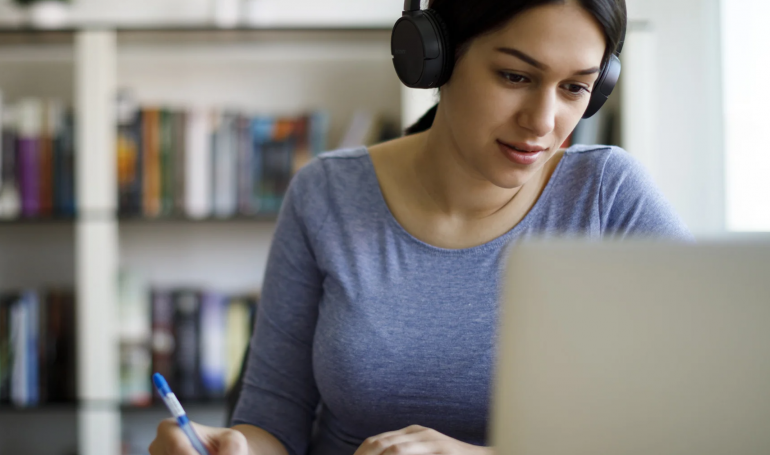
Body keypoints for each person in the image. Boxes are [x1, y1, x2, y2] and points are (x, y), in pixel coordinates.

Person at [150, 0, 690, 454]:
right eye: (515, 76)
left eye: (574, 88)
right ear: (433, 57)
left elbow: (700, 419)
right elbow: (272, 424)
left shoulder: (607, 197)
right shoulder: (326, 195)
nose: (542, 121)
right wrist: (224, 446)